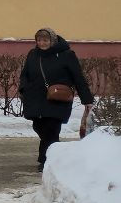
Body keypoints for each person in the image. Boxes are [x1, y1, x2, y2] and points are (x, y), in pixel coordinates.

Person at [19, 27, 92, 171]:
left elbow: (78, 78)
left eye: (45, 40)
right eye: (39, 40)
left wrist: (86, 98)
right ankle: (56, 155)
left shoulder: (66, 55)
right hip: (35, 98)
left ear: (52, 40)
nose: (42, 43)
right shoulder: (33, 54)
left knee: (51, 128)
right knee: (39, 126)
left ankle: (46, 161)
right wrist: (23, 89)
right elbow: (25, 74)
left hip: (58, 98)